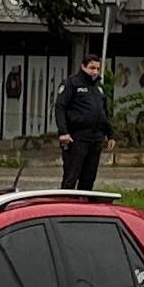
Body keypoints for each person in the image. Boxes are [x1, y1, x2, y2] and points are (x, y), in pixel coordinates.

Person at [55, 55, 112, 190]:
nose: (95, 72)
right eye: (92, 68)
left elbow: (103, 112)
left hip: (95, 138)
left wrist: (110, 134)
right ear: (83, 66)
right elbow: (60, 107)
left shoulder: (99, 86)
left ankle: (83, 206)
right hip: (76, 137)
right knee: (71, 176)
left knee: (89, 178)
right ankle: (65, 207)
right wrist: (63, 132)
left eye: (97, 69)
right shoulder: (71, 83)